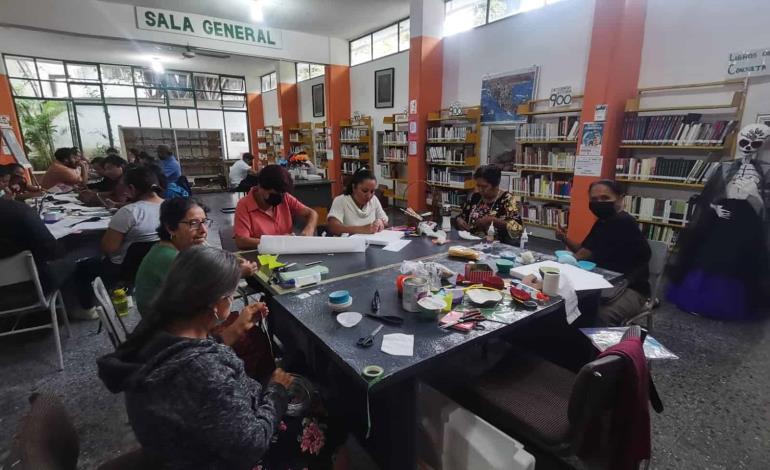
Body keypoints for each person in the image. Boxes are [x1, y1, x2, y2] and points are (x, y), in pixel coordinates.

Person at [98, 246, 346, 470]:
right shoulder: (202, 369)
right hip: (217, 458)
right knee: (332, 421)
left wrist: (236, 329)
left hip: (182, 443)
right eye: (231, 294)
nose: (232, 300)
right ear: (216, 305)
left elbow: (190, 357)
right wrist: (276, 390)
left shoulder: (155, 331)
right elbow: (251, 443)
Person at [555, 180, 651, 326]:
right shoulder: (603, 221)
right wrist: (564, 238)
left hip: (632, 288)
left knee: (599, 316)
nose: (599, 203)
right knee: (571, 305)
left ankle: (603, 348)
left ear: (620, 198)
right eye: (594, 199)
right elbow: (584, 249)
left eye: (605, 198)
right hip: (604, 280)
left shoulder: (622, 221)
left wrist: (555, 267)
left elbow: (581, 256)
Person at [73, 166, 164, 318]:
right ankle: (127, 290)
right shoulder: (171, 207)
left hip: (121, 268)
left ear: (132, 188)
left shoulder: (129, 213)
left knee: (82, 268)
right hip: (155, 266)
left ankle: (87, 309)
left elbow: (109, 248)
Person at [0, 196, 77, 315]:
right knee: (74, 259)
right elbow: (52, 251)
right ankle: (78, 308)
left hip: (8, 292)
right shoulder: (18, 211)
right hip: (34, 288)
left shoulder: (16, 210)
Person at [233, 164, 318, 250]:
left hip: (286, 254)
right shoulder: (244, 205)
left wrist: (309, 229)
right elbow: (241, 241)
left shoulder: (285, 197)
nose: (279, 198)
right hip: (261, 257)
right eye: (274, 194)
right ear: (260, 187)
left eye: (282, 194)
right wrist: (278, 241)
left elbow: (312, 213)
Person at [455, 165, 523, 243]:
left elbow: (517, 228)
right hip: (471, 242)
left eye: (484, 186)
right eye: (478, 185)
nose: (480, 189)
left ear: (495, 185)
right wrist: (459, 220)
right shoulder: (476, 197)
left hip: (496, 246)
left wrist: (493, 221)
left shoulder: (507, 199)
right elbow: (463, 215)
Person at [326, 168, 388, 235]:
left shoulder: (374, 200)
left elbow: (385, 221)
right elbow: (333, 227)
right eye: (364, 191)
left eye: (372, 191)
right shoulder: (341, 201)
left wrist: (380, 221)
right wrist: (362, 229)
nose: (369, 196)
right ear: (354, 187)